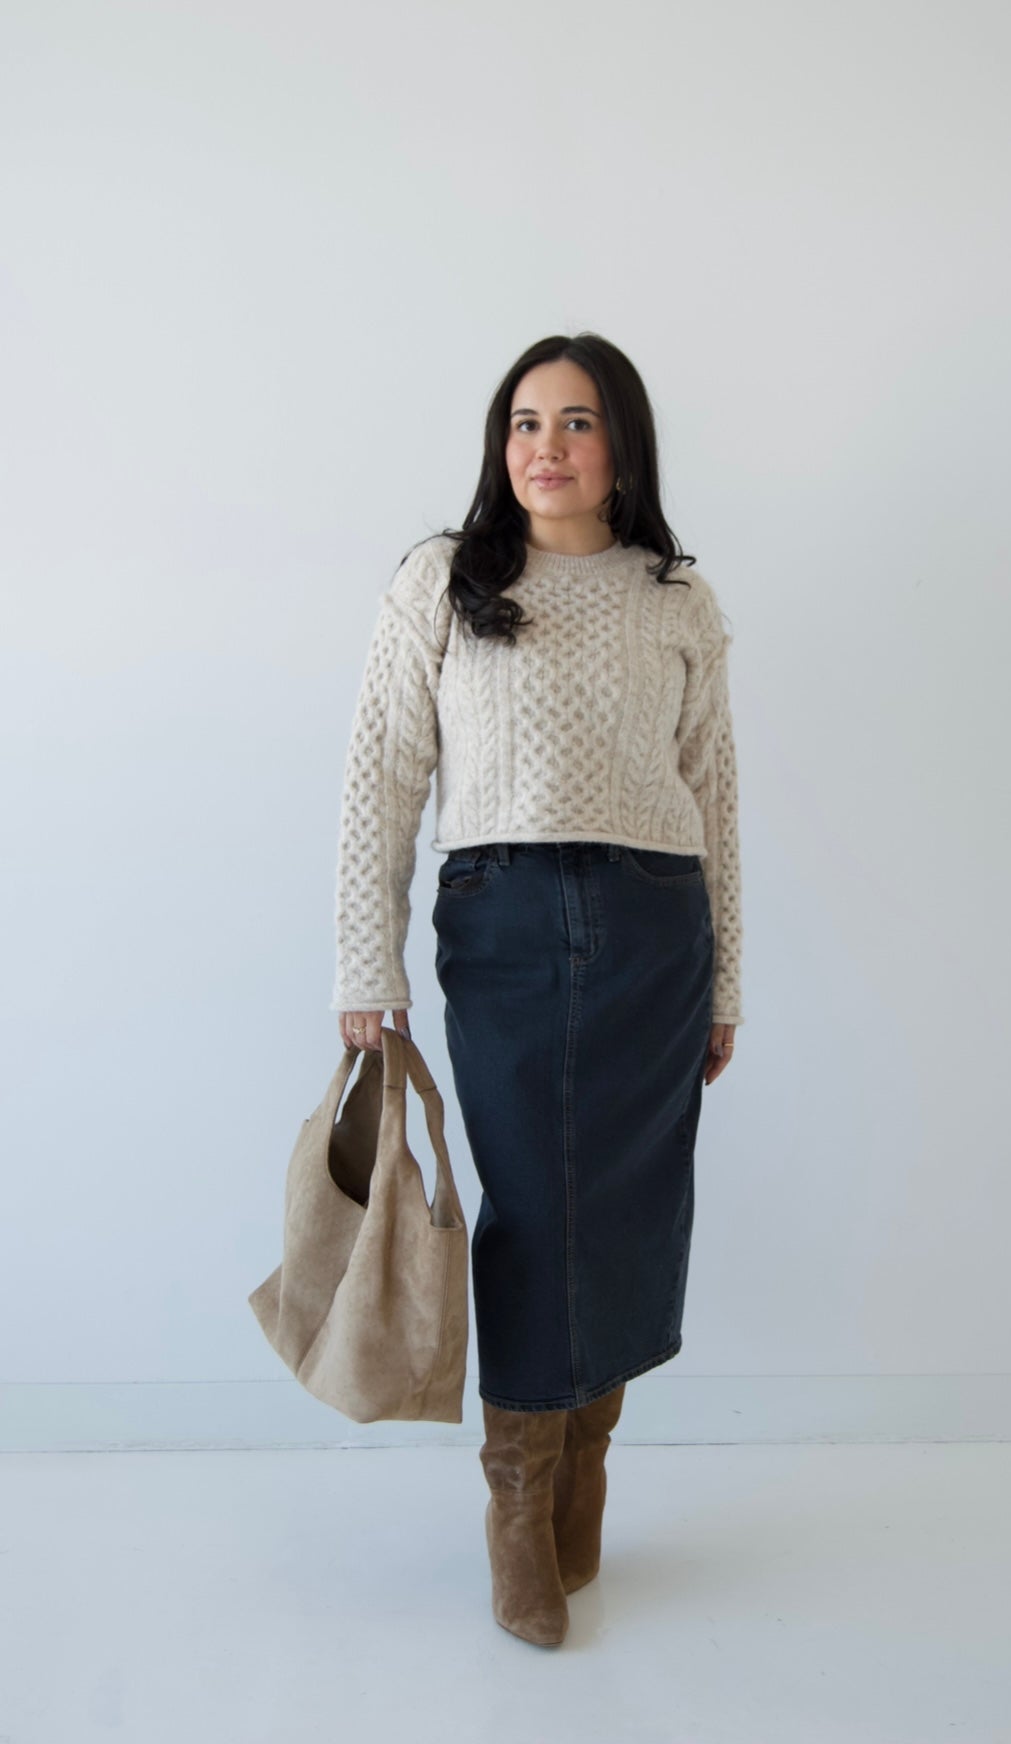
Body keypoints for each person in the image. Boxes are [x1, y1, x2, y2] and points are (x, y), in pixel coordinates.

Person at [329, 332, 743, 1646]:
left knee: (624, 1205)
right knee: (531, 1204)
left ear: (621, 445)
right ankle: (518, 1499)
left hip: (650, 926)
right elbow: (380, 777)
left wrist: (727, 974)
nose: (542, 449)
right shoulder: (440, 583)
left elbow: (716, 793)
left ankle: (585, 1470)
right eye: (521, 423)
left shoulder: (675, 596)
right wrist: (363, 961)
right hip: (500, 921)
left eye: (572, 423)